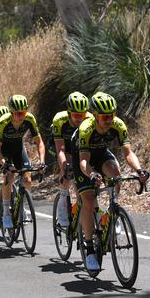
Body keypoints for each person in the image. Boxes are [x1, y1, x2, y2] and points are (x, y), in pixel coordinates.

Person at [73, 92, 150, 271]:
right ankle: (90, 248)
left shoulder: (118, 125)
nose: (109, 120)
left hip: (100, 154)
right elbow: (84, 161)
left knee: (116, 173)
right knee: (89, 200)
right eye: (104, 117)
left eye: (111, 115)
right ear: (96, 115)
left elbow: (128, 153)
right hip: (82, 156)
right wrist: (91, 174)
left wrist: (139, 171)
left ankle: (112, 213)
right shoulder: (86, 128)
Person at [0, 95, 45, 229]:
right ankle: (5, 212)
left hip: (18, 148)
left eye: (23, 112)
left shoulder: (29, 119)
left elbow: (39, 142)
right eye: (18, 113)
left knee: (27, 179)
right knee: (9, 176)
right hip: (4, 150)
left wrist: (42, 161)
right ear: (11, 112)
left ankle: (22, 207)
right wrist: (4, 164)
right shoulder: (3, 122)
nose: (21, 116)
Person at [51, 92, 92, 227]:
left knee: (84, 186)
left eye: (83, 115)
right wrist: (65, 167)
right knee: (67, 174)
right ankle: (63, 204)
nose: (80, 118)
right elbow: (60, 150)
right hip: (64, 147)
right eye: (76, 115)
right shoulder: (60, 120)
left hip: (80, 148)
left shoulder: (90, 119)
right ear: (69, 113)